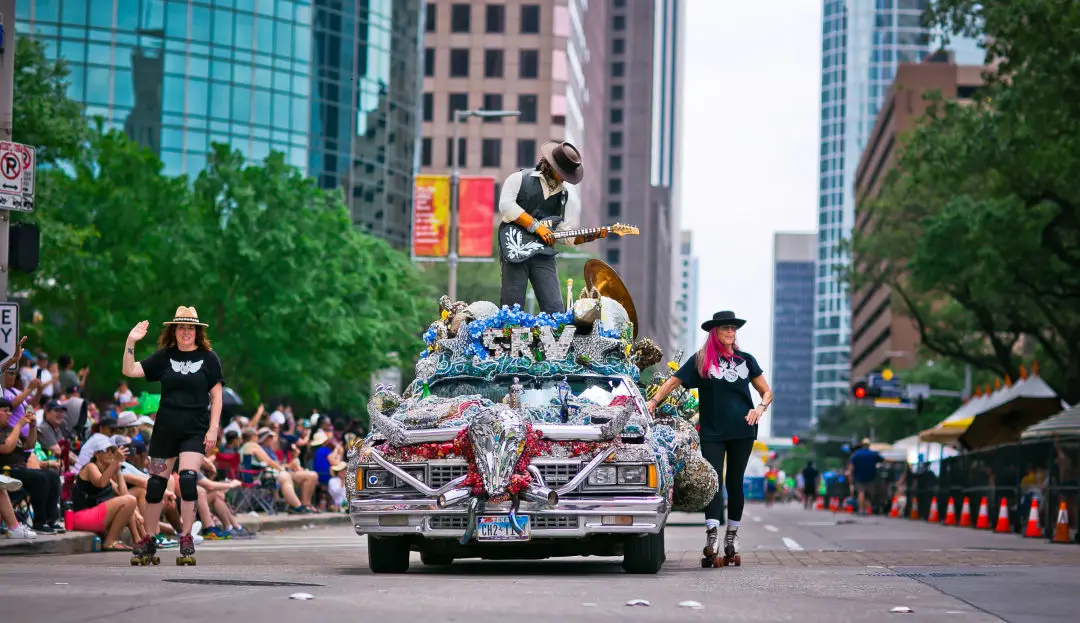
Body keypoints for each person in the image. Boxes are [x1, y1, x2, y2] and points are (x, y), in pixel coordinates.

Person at [646, 311, 773, 566]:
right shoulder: (702, 361)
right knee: (713, 480)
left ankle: (731, 537)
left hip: (743, 430)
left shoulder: (746, 360)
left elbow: (766, 392)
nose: (731, 332)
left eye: (734, 328)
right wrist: (653, 401)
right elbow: (673, 381)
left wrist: (759, 409)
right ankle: (712, 535)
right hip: (712, 431)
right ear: (715, 331)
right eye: (726, 328)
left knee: (735, 482)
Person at [122, 306, 224, 565]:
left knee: (188, 480)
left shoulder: (209, 358)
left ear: (197, 332)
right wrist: (130, 341)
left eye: (190, 328)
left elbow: (216, 397)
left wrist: (213, 428)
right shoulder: (164, 357)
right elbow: (130, 371)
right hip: (165, 429)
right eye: (181, 327)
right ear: (174, 330)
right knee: (156, 484)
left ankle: (186, 536)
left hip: (194, 430)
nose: (186, 332)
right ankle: (149, 538)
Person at [497, 141, 605, 313]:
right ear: (550, 166)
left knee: (555, 307)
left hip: (543, 254)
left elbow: (563, 233)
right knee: (512, 304)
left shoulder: (563, 196)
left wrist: (592, 235)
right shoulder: (519, 179)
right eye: (563, 173)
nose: (565, 178)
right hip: (515, 249)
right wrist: (536, 226)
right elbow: (506, 206)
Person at [69, 435, 141, 550]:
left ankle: (139, 540)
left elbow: (123, 493)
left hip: (95, 516)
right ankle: (111, 541)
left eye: (112, 450)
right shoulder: (90, 467)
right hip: (81, 517)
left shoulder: (107, 472)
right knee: (130, 501)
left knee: (131, 501)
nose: (111, 453)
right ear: (97, 454)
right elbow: (101, 483)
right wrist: (115, 462)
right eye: (106, 450)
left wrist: (117, 471)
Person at [849, 439, 884, 515]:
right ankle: (867, 509)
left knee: (861, 493)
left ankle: (861, 509)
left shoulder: (856, 454)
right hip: (871, 477)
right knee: (868, 494)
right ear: (869, 445)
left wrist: (850, 479)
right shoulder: (873, 454)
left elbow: (851, 468)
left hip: (859, 477)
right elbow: (883, 460)